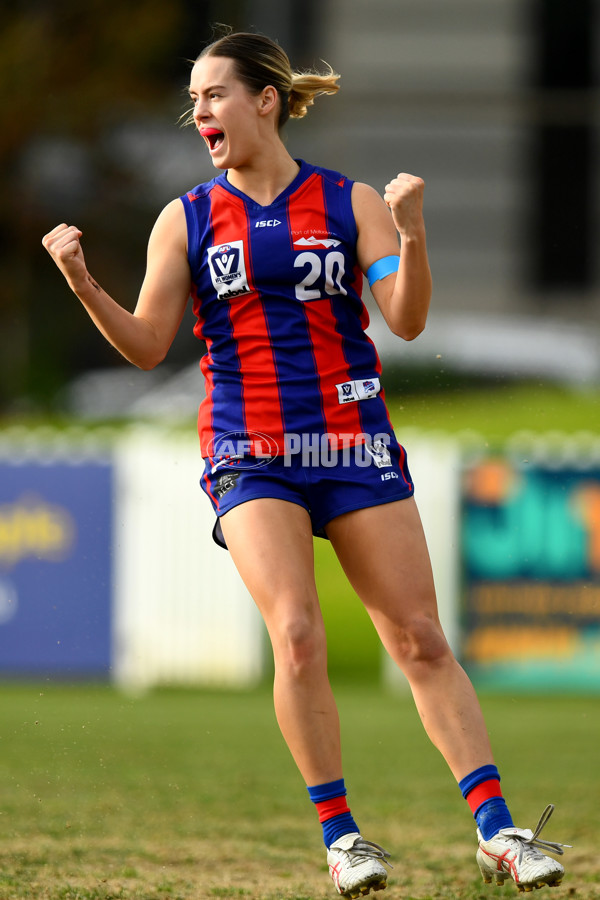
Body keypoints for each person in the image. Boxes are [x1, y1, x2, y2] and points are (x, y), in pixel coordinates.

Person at [42, 29, 570, 899]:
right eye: (194, 99)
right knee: (295, 632)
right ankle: (343, 838)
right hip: (249, 448)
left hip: (350, 440)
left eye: (215, 94)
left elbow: (405, 319)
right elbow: (145, 346)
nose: (200, 111)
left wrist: (411, 230)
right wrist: (82, 282)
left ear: (266, 101)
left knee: (421, 638)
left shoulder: (350, 201)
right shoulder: (187, 217)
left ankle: (496, 831)